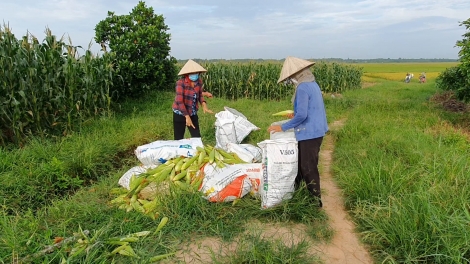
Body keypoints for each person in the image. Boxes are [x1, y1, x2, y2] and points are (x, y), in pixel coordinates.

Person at [267, 56, 329, 207]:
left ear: (295, 75)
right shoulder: (312, 83)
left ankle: (315, 202)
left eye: (290, 78)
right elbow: (309, 108)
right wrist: (295, 115)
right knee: (302, 164)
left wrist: (282, 127)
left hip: (310, 132)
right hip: (317, 130)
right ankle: (298, 194)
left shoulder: (302, 87)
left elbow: (303, 115)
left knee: (308, 167)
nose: (290, 81)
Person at [172, 59, 213, 140]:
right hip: (180, 113)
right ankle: (179, 152)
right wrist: (187, 117)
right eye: (192, 73)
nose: (195, 75)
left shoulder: (199, 82)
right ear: (187, 74)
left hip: (192, 112)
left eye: (196, 73)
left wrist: (204, 106)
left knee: (197, 137)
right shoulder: (180, 83)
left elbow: (200, 94)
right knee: (178, 138)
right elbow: (179, 101)